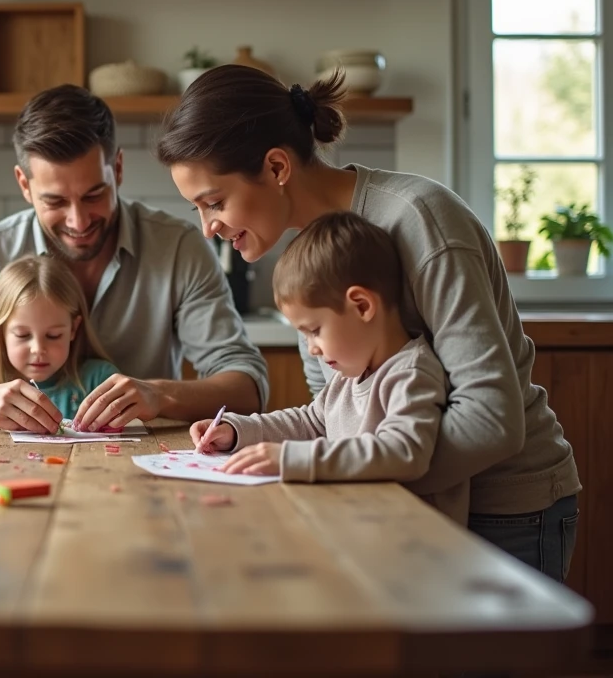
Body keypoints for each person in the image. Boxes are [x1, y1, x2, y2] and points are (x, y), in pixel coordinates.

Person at [155, 64, 580, 580]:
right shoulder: (314, 259)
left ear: (276, 167)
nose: (208, 228)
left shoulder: (420, 220)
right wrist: (246, 437)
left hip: (506, 509)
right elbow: (332, 415)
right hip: (412, 504)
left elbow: (491, 422)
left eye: (214, 203)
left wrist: (359, 476)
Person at [0, 84, 268, 435]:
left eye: (94, 194)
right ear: (24, 185)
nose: (78, 221)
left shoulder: (179, 249)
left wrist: (160, 395)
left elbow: (247, 387)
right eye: (55, 201)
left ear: (117, 169)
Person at [190, 211, 467, 524]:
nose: (312, 348)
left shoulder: (411, 373)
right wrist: (237, 430)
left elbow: (403, 451)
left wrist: (291, 459)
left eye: (315, 330)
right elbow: (310, 422)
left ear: (362, 306)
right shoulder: (349, 376)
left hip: (413, 541)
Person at [0, 255, 118, 422]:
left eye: (53, 336)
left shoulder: (100, 381)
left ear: (73, 329)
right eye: (22, 335)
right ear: (0, 332)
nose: (38, 349)